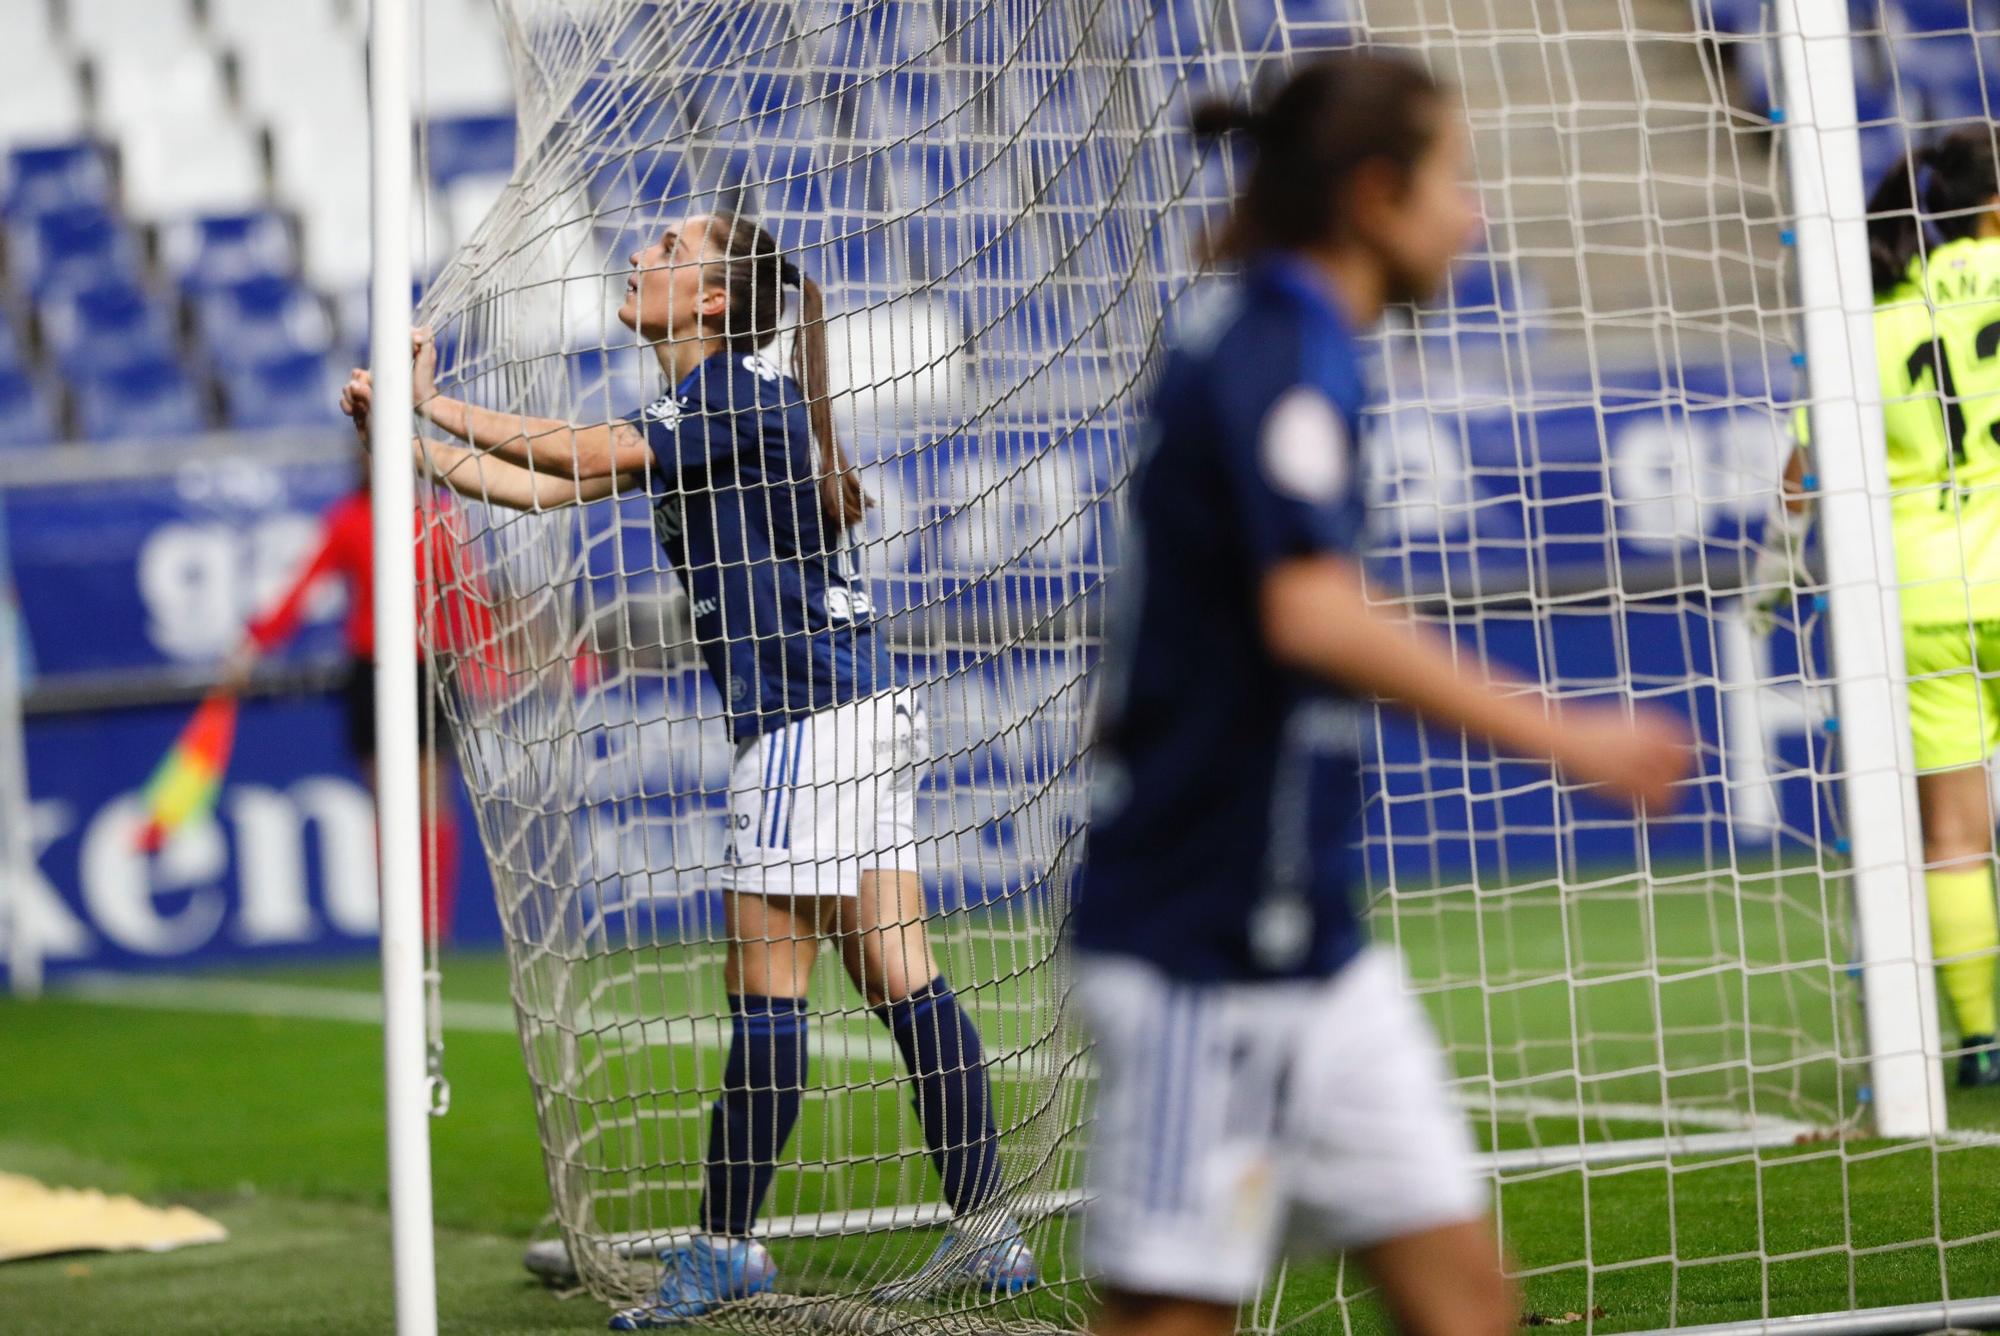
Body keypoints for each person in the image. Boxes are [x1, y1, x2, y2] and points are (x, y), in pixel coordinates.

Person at [1071, 54, 1692, 1336]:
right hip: (1204, 948)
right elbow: (1306, 609)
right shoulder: (1279, 349)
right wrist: (1565, 733)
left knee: (1469, 1304)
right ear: (1370, 193)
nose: (1472, 217)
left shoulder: (1281, 339)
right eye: (1452, 180)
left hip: (1312, 947)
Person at [341, 212, 1037, 1328]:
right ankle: (987, 1231)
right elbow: (535, 488)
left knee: (769, 992)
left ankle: (725, 1249)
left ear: (713, 301)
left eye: (666, 251)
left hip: (811, 723)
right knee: (898, 978)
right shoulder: (708, 407)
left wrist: (425, 401)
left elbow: (573, 456)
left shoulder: (722, 396)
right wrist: (402, 442)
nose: (638, 256)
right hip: (854, 710)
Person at [1757, 127, 2000, 1086]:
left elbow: (1798, 482)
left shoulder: (1869, 320)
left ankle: (1983, 1038)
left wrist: (1771, 582)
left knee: (1951, 835)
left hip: (1922, 595)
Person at [230, 468, 487, 943]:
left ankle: (434, 923)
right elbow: (304, 586)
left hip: (429, 667)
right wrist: (257, 640)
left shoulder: (437, 519)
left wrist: (486, 657)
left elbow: (468, 598)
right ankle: (403, 922)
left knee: (430, 798)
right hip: (375, 669)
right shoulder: (352, 519)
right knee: (392, 802)